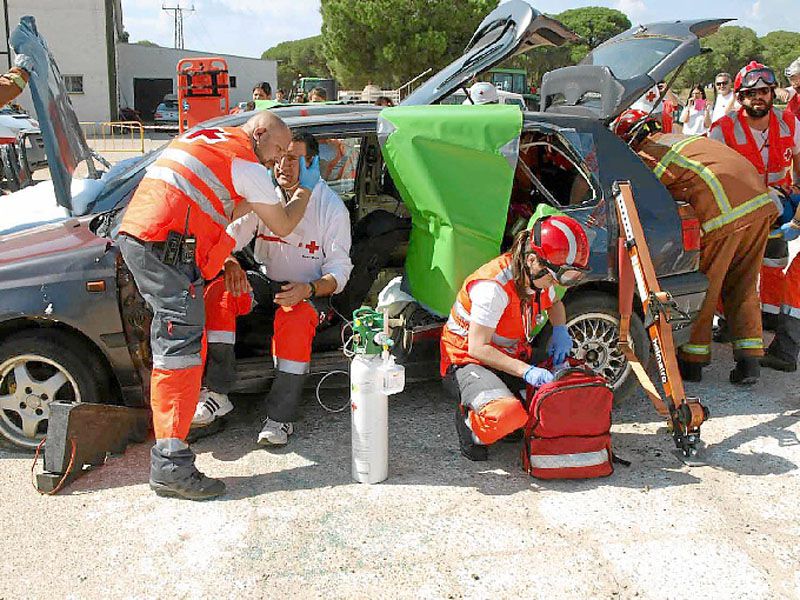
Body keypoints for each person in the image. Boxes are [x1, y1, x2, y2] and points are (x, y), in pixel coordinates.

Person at [115, 111, 321, 500]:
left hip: (150, 239)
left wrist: (255, 205)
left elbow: (223, 205)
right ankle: (171, 465)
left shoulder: (211, 138)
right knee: (179, 354)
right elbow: (283, 225)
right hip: (164, 248)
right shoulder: (246, 161)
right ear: (259, 134)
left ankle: (173, 453)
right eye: (277, 150)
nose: (278, 160)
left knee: (182, 348)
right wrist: (304, 191)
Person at [193, 131, 353, 446]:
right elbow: (228, 236)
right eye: (279, 157)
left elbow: (340, 273)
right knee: (220, 293)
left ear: (311, 163)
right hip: (268, 285)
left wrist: (307, 289)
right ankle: (217, 393)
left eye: (293, 158)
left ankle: (280, 419)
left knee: (294, 318)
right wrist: (230, 262)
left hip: (309, 293)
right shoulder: (266, 196)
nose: (283, 166)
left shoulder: (331, 208)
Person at [616, 110, 778, 384]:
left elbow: (645, 197)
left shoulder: (651, 154)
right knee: (744, 284)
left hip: (724, 217)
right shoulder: (679, 140)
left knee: (707, 286)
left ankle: (693, 362)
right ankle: (750, 361)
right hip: (760, 207)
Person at [441, 216, 590, 461]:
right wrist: (527, 371)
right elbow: (478, 348)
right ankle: (470, 422)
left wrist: (561, 331)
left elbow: (554, 304)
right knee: (507, 416)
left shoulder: (538, 276)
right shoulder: (493, 289)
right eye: (554, 278)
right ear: (532, 260)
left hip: (508, 354)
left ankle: (509, 402)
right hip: (466, 360)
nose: (555, 284)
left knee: (560, 394)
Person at [710, 61, 800, 373]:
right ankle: (726, 322)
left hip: (777, 208)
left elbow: (798, 163)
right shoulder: (722, 128)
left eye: (764, 91)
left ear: (773, 92)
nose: (758, 97)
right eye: (750, 93)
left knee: (774, 265)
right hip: (739, 213)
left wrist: (794, 197)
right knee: (732, 271)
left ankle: (771, 317)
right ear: (740, 97)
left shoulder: (788, 123)